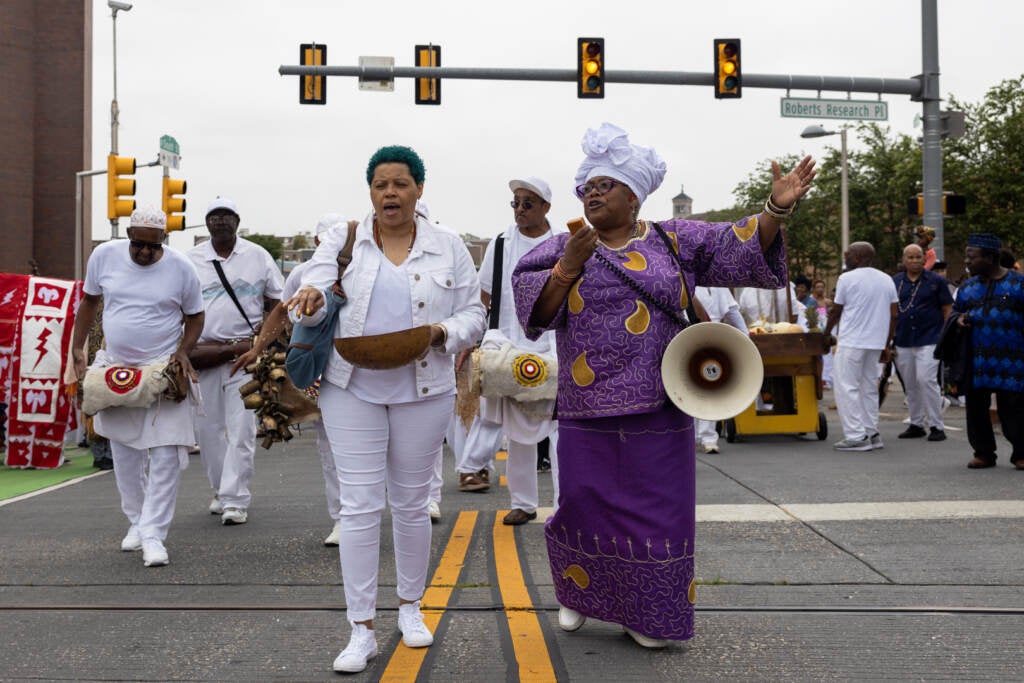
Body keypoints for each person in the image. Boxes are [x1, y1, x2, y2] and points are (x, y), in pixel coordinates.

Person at [513, 122, 815, 648]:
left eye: (608, 184)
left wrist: (776, 209)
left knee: (658, 509)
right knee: (584, 500)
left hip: (663, 399)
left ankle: (650, 612)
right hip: (588, 403)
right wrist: (567, 267)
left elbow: (733, 243)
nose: (594, 191)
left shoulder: (673, 239)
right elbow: (532, 312)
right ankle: (578, 594)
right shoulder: (563, 245)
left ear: (634, 197)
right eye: (589, 185)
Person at [289, 145, 486, 673]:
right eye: (381, 184)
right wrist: (310, 293)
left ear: (419, 189)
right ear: (370, 191)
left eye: (401, 183)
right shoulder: (346, 239)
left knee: (411, 504)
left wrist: (445, 332)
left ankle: (410, 608)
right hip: (349, 384)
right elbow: (314, 274)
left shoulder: (450, 246)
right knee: (357, 505)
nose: (390, 193)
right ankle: (360, 630)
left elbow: (474, 311)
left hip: (424, 386)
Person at [71, 207, 204, 567]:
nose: (145, 253)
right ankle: (136, 521)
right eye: (138, 245)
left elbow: (196, 316)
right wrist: (77, 348)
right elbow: (89, 302)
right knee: (126, 453)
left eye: (153, 247)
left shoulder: (180, 267)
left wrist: (183, 351)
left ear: (164, 241)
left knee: (164, 455)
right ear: (127, 236)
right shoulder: (104, 256)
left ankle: (154, 534)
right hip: (116, 369)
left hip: (163, 370)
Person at [233, 213, 348, 544]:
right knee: (330, 449)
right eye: (327, 244)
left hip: (361, 370)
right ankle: (342, 518)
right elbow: (281, 312)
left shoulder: (363, 266)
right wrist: (258, 350)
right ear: (316, 244)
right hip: (318, 371)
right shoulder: (302, 273)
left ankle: (383, 511)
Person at [456, 176, 562, 525]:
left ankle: (566, 506)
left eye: (527, 203)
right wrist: (472, 340)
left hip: (553, 346)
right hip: (508, 347)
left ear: (545, 207)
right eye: (515, 203)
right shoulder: (501, 243)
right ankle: (523, 503)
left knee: (562, 430)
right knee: (516, 430)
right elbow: (483, 297)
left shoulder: (564, 243)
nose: (519, 210)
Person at [188, 198, 284, 526]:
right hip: (205, 356)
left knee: (241, 429)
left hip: (246, 357)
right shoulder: (191, 260)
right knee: (208, 432)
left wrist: (263, 336)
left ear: (237, 222)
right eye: (214, 217)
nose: (221, 222)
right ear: (207, 224)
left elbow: (277, 301)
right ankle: (220, 489)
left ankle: (235, 499)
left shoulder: (258, 256)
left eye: (227, 217)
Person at [954, 233, 1024, 470]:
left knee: (1013, 408)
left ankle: (1021, 453)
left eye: (971, 257)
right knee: (975, 408)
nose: (967, 262)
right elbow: (954, 314)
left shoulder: (1018, 284)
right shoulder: (967, 288)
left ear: (991, 257)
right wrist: (959, 320)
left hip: (1013, 358)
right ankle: (983, 453)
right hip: (977, 358)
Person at [823, 242, 898, 451]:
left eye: (847, 254)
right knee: (868, 388)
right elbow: (894, 315)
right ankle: (871, 432)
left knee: (847, 387)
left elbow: (836, 311)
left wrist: (825, 333)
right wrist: (887, 344)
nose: (845, 257)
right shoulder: (886, 279)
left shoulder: (846, 278)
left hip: (852, 342)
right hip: (875, 343)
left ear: (857, 257)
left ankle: (856, 436)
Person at [892, 243, 953, 441]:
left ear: (924, 259)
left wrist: (947, 334)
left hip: (930, 337)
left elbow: (947, 308)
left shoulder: (936, 281)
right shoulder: (896, 282)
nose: (915, 260)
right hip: (903, 339)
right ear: (904, 260)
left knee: (926, 379)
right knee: (910, 383)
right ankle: (916, 423)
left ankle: (937, 425)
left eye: (918, 257)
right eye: (910, 257)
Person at [692, 286, 746, 454]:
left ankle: (708, 437)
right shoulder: (687, 280)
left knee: (710, 386)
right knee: (690, 387)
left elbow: (732, 312)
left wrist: (745, 336)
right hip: (690, 337)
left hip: (715, 339)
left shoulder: (718, 285)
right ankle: (692, 436)